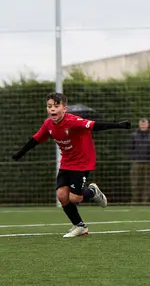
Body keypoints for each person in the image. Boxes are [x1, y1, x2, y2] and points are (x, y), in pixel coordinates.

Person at [10, 93, 131, 238]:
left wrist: (118, 125)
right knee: (61, 196)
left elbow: (95, 125)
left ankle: (93, 192)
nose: (52, 109)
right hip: (66, 162)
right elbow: (35, 139)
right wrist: (20, 153)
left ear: (64, 108)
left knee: (75, 199)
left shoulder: (73, 121)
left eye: (56, 106)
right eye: (49, 106)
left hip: (82, 162)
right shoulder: (48, 124)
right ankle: (79, 226)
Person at [127, 118, 150, 204]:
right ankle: (135, 201)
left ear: (147, 124)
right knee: (135, 182)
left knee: (147, 183)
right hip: (136, 162)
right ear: (139, 125)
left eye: (144, 123)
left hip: (148, 162)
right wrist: (132, 159)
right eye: (141, 124)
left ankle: (145, 202)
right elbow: (130, 149)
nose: (143, 125)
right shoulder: (134, 135)